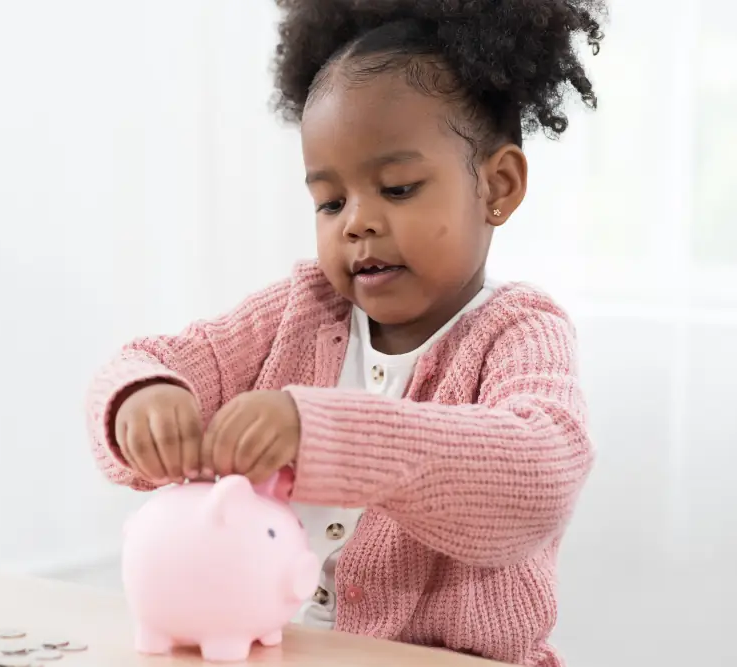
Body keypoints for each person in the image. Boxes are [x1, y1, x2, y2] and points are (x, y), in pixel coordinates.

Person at [86, 1, 606, 665]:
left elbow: (537, 476)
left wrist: (324, 432)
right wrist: (144, 396)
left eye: (397, 188)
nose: (356, 222)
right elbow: (148, 359)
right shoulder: (302, 309)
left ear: (496, 186)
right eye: (329, 201)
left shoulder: (519, 332)